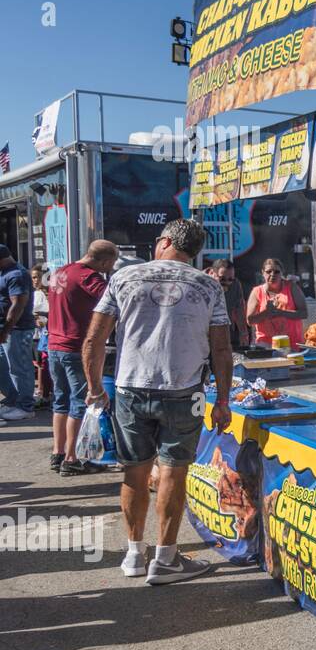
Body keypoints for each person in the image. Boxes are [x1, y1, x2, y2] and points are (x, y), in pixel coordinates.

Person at [83, 219, 231, 585]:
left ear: (164, 242)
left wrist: (94, 388)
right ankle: (165, 559)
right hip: (185, 390)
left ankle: (135, 554)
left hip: (130, 388)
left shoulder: (123, 278)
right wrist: (223, 400)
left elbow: (94, 340)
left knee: (134, 471)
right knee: (173, 471)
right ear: (193, 252)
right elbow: (222, 348)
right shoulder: (208, 285)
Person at [46, 240, 118, 475]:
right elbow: (115, 302)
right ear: (105, 261)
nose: (111, 267)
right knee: (80, 402)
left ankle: (57, 453)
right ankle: (71, 458)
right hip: (77, 346)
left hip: (55, 344)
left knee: (60, 401)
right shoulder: (89, 277)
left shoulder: (62, 271)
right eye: (112, 263)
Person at [0, 244, 36, 421]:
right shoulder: (5, 272)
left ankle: (25, 406)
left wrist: (6, 330)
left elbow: (18, 304)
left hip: (17, 329)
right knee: (6, 367)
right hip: (8, 330)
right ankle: (14, 400)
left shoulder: (16, 274)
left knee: (19, 368)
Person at [245, 258, 307, 347]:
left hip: (291, 343)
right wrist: (266, 313)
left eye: (277, 272)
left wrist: (281, 313)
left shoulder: (292, 287)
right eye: (268, 271)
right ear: (263, 272)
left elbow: (304, 313)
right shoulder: (256, 292)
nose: (272, 274)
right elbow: (250, 320)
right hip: (265, 344)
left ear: (282, 273)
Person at [207, 259, 249, 349]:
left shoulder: (235, 284)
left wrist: (243, 333)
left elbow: (239, 310)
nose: (226, 283)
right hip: (204, 334)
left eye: (230, 279)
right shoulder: (201, 284)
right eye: (222, 279)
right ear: (211, 273)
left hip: (226, 333)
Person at [31, 265, 52, 407]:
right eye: (33, 277)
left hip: (47, 334)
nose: (36, 280)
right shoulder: (34, 294)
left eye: (38, 277)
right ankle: (42, 392)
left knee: (45, 364)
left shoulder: (52, 294)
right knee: (40, 364)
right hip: (37, 335)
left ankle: (45, 392)